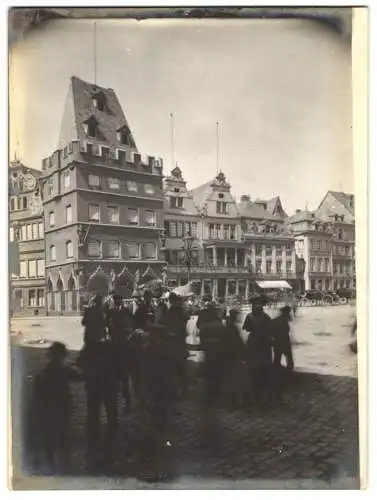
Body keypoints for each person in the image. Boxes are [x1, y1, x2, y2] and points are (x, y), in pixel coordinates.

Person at [31, 342, 82, 472]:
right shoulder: (64, 370)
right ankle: (64, 463)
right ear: (63, 356)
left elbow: (37, 397)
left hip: (49, 408)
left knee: (49, 435)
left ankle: (51, 462)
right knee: (63, 434)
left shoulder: (42, 374)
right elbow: (80, 377)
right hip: (63, 406)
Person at [77, 339, 119, 465]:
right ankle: (104, 434)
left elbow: (80, 362)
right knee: (101, 410)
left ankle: (103, 434)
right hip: (100, 385)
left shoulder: (95, 347)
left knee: (101, 410)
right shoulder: (106, 348)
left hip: (101, 384)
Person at [106, 293, 135, 411]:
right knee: (114, 377)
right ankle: (115, 403)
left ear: (121, 300)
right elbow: (107, 325)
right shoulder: (111, 312)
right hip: (114, 347)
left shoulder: (127, 311)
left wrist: (128, 330)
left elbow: (132, 324)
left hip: (124, 346)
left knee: (125, 377)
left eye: (119, 299)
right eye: (115, 299)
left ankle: (128, 402)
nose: (117, 301)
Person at [243, 297, 273, 404]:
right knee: (253, 370)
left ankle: (262, 393)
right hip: (254, 345)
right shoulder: (250, 316)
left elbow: (270, 331)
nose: (256, 306)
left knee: (263, 370)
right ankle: (255, 394)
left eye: (258, 304)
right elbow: (246, 329)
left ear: (262, 305)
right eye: (255, 304)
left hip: (263, 345)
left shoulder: (266, 317)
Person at [163, 292, 189, 398]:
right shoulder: (180, 310)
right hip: (179, 341)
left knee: (175, 367)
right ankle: (182, 389)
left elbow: (168, 324)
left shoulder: (172, 310)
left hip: (174, 341)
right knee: (180, 367)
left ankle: (179, 390)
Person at [223, 309, 249, 409]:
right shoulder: (232, 328)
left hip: (230, 357)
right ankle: (235, 402)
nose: (241, 317)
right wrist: (243, 354)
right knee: (238, 380)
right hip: (234, 357)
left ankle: (234, 402)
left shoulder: (230, 327)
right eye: (239, 316)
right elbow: (236, 344)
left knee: (233, 380)